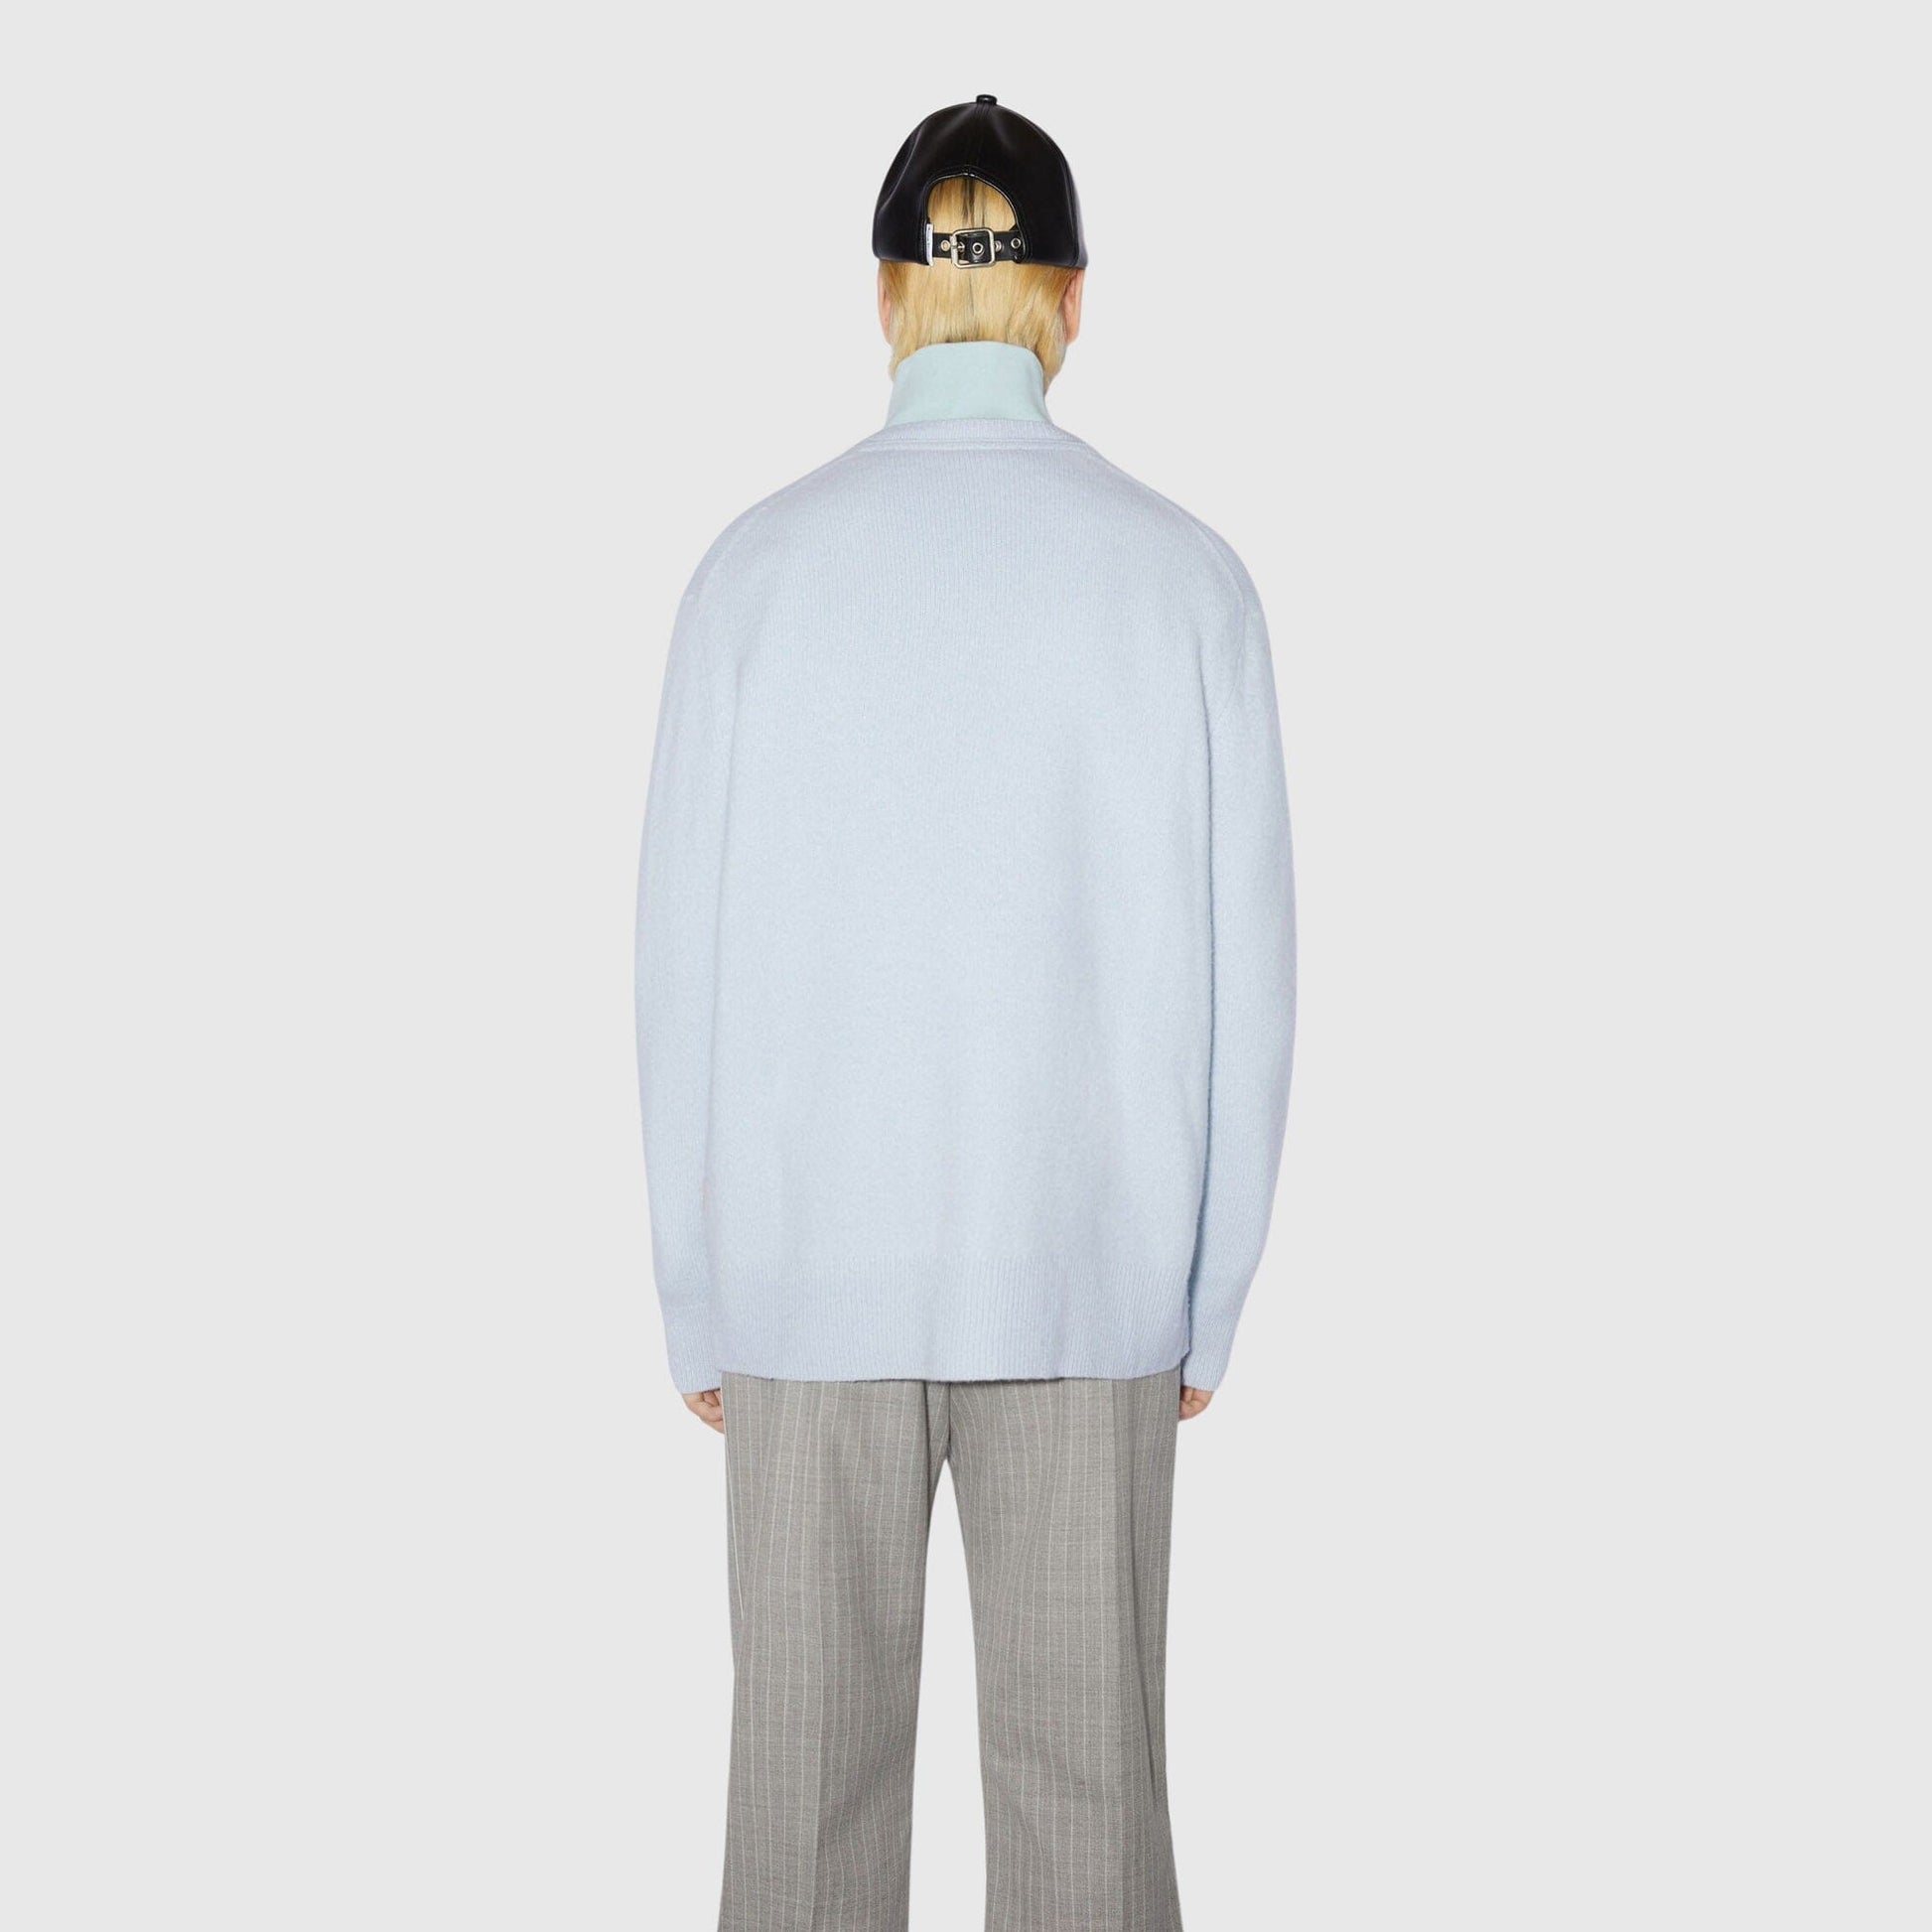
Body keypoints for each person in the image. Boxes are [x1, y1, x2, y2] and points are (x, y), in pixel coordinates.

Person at [635, 94, 1296, 1931]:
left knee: (800, 1822)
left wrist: (695, 1281)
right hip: (1088, 1282)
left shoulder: (754, 573)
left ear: (883, 298)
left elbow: (679, 961)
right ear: (1070, 298)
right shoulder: (1182, 577)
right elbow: (1248, 972)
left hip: (804, 1282)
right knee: (1091, 1821)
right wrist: (1207, 1290)